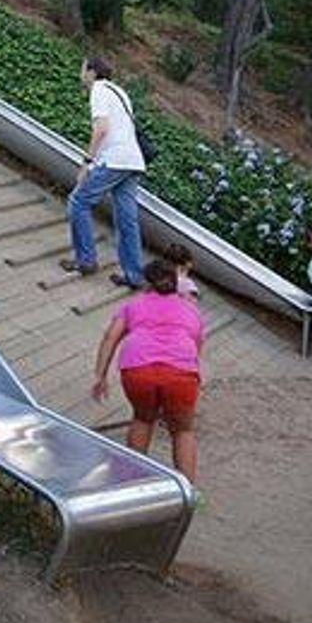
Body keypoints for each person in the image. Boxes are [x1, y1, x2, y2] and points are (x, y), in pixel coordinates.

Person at [92, 259, 205, 482]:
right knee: (183, 430)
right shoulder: (192, 311)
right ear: (176, 284)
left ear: (147, 284)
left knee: (143, 419)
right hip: (180, 373)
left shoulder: (132, 306)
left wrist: (100, 375)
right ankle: (186, 492)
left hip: (137, 369)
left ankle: (133, 482)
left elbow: (110, 337)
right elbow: (197, 345)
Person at [59, 56, 145, 287]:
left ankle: (86, 260)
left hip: (114, 160)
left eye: (82, 69)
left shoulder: (98, 90)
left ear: (92, 72)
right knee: (127, 220)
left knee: (78, 202)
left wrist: (87, 162)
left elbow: (102, 129)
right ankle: (135, 275)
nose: (81, 74)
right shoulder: (119, 92)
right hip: (133, 162)